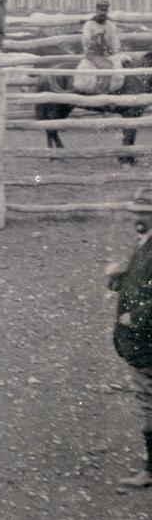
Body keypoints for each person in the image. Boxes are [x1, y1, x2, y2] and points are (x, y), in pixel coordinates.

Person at [105, 187, 152, 487]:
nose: (138, 218)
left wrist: (134, 317)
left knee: (148, 399)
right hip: (139, 338)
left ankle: (150, 471)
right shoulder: (143, 243)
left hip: (146, 338)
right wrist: (117, 276)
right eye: (135, 212)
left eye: (145, 214)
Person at [75, 0, 123, 95]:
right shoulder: (89, 25)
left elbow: (115, 40)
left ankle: (119, 90)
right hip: (94, 54)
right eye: (101, 10)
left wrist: (115, 50)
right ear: (96, 10)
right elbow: (86, 40)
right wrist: (96, 40)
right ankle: (101, 92)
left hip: (108, 53)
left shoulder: (110, 25)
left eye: (105, 10)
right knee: (107, 67)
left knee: (124, 64)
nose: (103, 13)